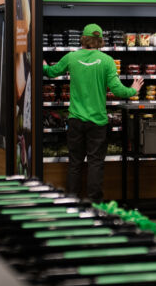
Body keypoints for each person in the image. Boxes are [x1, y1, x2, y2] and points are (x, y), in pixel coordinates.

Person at [43, 24, 143, 202]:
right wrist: (133, 90)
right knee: (95, 163)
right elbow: (118, 90)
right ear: (100, 41)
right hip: (97, 122)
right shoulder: (106, 61)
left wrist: (43, 66)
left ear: (83, 38)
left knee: (75, 163)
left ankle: (72, 201)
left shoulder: (71, 57)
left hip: (75, 120)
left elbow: (52, 73)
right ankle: (94, 204)